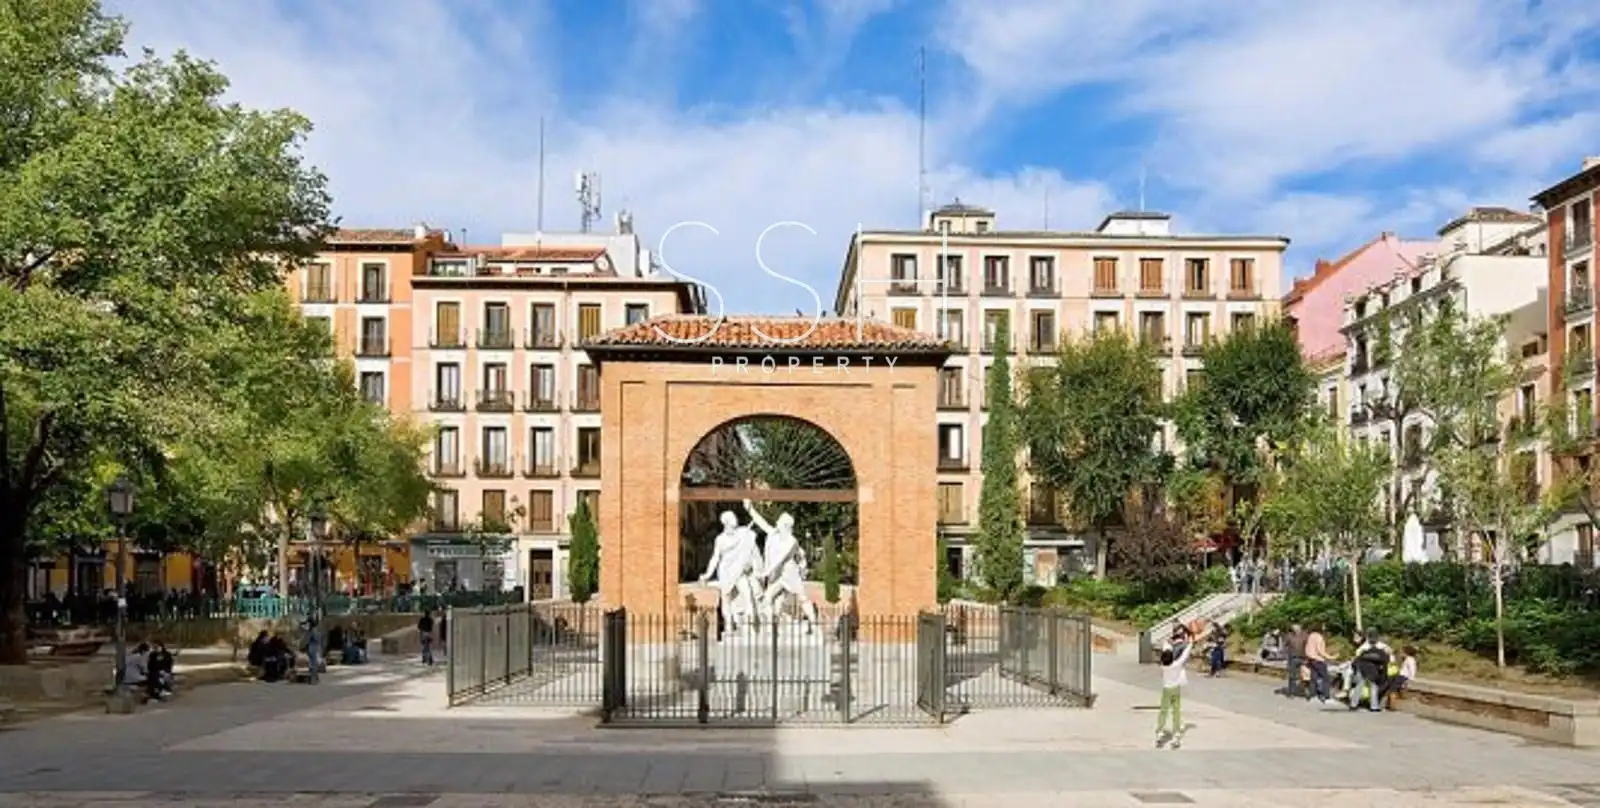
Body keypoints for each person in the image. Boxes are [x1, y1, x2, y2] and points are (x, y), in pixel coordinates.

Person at [1156, 631, 1196, 748]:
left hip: (1166, 690)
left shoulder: (1163, 666)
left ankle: (1160, 731)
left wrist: (1168, 641)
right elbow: (1185, 655)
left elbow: (1165, 649)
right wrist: (1190, 643)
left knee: (1164, 710)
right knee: (1176, 711)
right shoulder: (1176, 665)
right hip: (1176, 689)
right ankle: (1176, 733)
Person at [1349, 632, 1393, 712]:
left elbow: (1356, 660)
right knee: (1374, 687)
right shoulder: (1383, 651)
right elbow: (1386, 663)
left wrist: (1355, 670)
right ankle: (1374, 706)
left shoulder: (1364, 649)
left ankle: (1353, 705)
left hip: (1361, 669)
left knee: (1359, 687)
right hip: (1373, 671)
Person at [1304, 624, 1335, 705]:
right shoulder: (1319, 637)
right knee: (1326, 678)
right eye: (1323, 627)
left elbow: (1307, 648)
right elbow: (1320, 651)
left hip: (1311, 659)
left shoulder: (1310, 636)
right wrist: (1330, 657)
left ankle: (1313, 696)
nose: (1325, 628)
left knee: (1313, 678)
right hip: (1318, 660)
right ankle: (1327, 697)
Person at [1283, 623, 1308, 698]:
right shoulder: (1289, 636)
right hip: (1293, 658)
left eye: (1296, 629)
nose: (1295, 630)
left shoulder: (1305, 635)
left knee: (1305, 676)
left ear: (1300, 628)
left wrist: (1308, 657)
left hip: (1303, 658)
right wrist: (1285, 655)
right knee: (1292, 676)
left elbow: (1308, 646)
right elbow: (1285, 646)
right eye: (1293, 629)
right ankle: (1291, 692)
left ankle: (1304, 690)